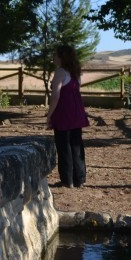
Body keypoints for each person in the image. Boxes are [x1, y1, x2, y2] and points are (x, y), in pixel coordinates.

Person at [45, 44, 89, 188]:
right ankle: (79, 179)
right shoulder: (75, 72)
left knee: (63, 146)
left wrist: (49, 115)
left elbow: (56, 96)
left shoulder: (60, 72)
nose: (53, 57)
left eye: (55, 54)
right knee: (76, 145)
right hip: (76, 112)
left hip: (64, 113)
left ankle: (67, 180)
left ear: (61, 57)